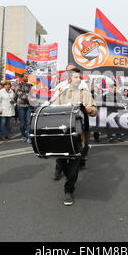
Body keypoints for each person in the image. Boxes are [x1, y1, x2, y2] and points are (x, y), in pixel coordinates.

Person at [50, 68, 97, 206]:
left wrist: (90, 109)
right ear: (70, 79)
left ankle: (68, 190)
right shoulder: (60, 91)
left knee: (75, 159)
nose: (78, 79)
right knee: (61, 159)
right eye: (76, 77)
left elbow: (94, 110)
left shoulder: (85, 93)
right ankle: (63, 171)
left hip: (79, 132)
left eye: (79, 77)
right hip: (62, 132)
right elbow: (52, 108)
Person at [15, 74, 33, 143]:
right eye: (26, 77)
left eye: (27, 77)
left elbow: (32, 94)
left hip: (28, 106)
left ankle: (29, 136)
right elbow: (20, 94)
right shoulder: (18, 85)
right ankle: (23, 136)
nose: (27, 78)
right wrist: (29, 97)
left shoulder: (29, 85)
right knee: (22, 122)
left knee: (29, 122)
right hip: (21, 106)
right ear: (22, 78)